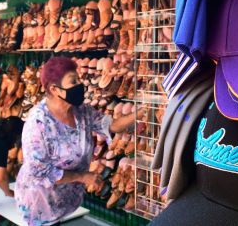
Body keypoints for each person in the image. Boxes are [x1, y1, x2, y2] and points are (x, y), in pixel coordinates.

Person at [15, 57, 145, 226]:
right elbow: (40, 172)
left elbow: (111, 125)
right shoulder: (38, 123)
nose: (80, 85)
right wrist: (83, 177)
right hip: (40, 202)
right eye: (73, 81)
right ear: (54, 89)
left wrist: (142, 112)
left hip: (63, 198)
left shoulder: (81, 111)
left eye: (79, 79)